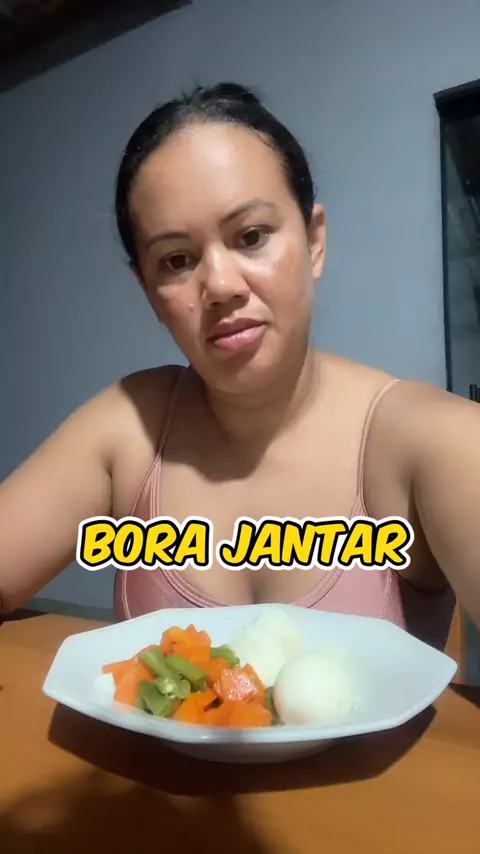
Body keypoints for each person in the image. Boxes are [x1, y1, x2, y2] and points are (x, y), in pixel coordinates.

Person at [0, 82, 478, 648]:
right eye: (177, 260)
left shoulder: (431, 438)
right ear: (148, 290)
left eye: (251, 236)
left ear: (314, 241)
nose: (222, 285)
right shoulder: (130, 427)